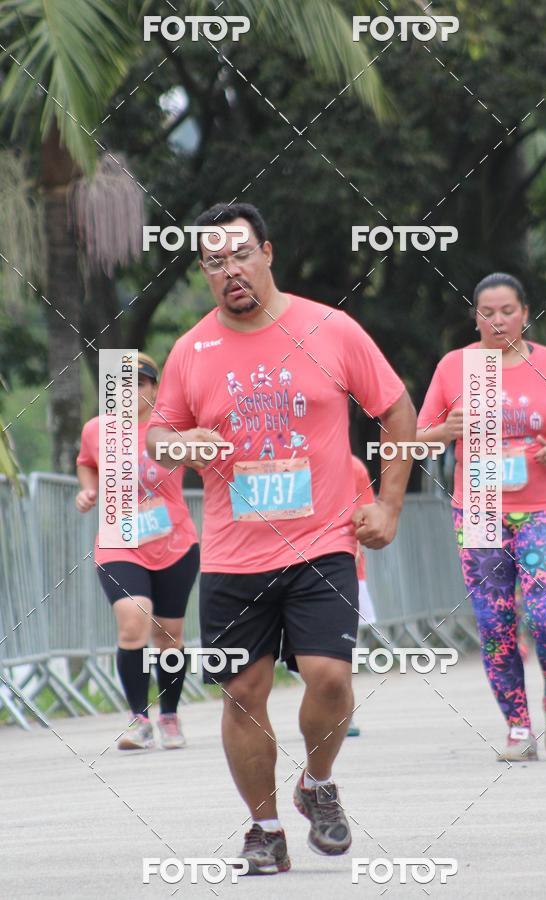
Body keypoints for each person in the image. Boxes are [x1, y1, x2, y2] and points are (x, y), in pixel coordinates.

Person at [146, 202, 416, 874]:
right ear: (204, 273)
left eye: (240, 254)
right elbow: (155, 436)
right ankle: (264, 829)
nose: (230, 270)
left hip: (322, 540)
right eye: (214, 262)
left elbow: (395, 407)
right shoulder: (191, 350)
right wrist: (178, 440)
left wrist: (388, 505)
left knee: (328, 677)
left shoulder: (330, 328)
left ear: (267, 253)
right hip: (235, 553)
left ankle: (318, 784)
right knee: (243, 693)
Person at [417, 272, 546, 761]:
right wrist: (446, 429)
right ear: (475, 316)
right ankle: (518, 727)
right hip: (479, 509)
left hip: (544, 509)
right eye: (487, 312)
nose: (498, 321)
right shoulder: (458, 367)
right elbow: (419, 434)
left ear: (525, 314)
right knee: (495, 624)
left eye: (508, 312)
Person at [76, 353, 200, 751]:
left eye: (140, 384)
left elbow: (210, 457)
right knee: (133, 620)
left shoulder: (172, 430)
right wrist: (88, 490)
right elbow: (85, 463)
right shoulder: (97, 430)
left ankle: (169, 715)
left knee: (169, 634)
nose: (130, 392)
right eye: (122, 385)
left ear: (155, 388)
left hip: (174, 542)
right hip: (119, 542)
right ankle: (138, 720)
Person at [346, 455, 378, 738]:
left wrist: (356, 543)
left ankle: (343, 710)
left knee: (340, 646)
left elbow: (366, 513)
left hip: (344, 567)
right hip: (288, 563)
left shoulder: (353, 467)